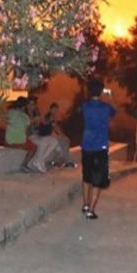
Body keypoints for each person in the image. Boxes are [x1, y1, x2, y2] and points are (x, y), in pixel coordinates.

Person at [80, 79, 116, 220]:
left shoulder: (85, 106)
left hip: (87, 145)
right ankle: (91, 210)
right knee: (98, 179)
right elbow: (114, 112)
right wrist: (110, 98)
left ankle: (85, 205)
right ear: (101, 91)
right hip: (100, 147)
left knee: (86, 176)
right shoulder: (106, 108)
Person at [4, 97, 37, 173]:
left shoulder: (10, 112)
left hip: (8, 141)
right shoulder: (24, 117)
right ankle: (24, 164)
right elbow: (27, 129)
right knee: (34, 148)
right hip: (18, 142)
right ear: (24, 106)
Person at [39, 102, 75, 168]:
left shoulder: (50, 116)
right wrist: (63, 135)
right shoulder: (50, 117)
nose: (55, 111)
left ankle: (60, 161)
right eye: (54, 109)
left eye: (56, 109)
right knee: (65, 141)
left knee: (63, 143)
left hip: (49, 135)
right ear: (50, 109)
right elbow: (55, 127)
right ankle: (67, 161)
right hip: (49, 136)